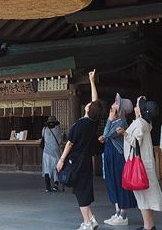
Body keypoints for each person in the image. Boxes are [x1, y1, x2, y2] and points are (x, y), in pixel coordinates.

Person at [57, 70, 105, 230]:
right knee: (83, 188)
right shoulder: (93, 122)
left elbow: (69, 143)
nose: (90, 103)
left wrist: (61, 159)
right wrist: (92, 81)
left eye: (90, 105)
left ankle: (86, 223)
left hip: (75, 161)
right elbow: (95, 102)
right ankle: (91, 219)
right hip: (85, 161)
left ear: (88, 110)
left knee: (80, 191)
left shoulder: (80, 125)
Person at [93, 71, 136, 226]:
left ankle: (123, 214)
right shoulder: (115, 121)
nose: (113, 104)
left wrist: (109, 121)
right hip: (110, 154)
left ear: (120, 110)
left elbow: (107, 134)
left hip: (118, 157)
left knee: (119, 182)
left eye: (116, 104)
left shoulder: (121, 123)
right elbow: (105, 137)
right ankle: (117, 211)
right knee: (112, 182)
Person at [119, 96, 162, 230]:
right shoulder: (145, 123)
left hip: (141, 164)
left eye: (137, 105)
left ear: (141, 110)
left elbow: (135, 141)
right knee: (147, 195)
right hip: (146, 163)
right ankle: (149, 225)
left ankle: (148, 226)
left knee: (143, 196)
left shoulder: (139, 124)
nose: (135, 107)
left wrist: (124, 133)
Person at [41, 115, 62, 192]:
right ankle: (56, 185)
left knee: (47, 168)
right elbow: (60, 141)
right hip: (56, 152)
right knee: (56, 168)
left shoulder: (44, 129)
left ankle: (47, 187)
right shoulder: (58, 129)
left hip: (46, 152)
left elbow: (43, 138)